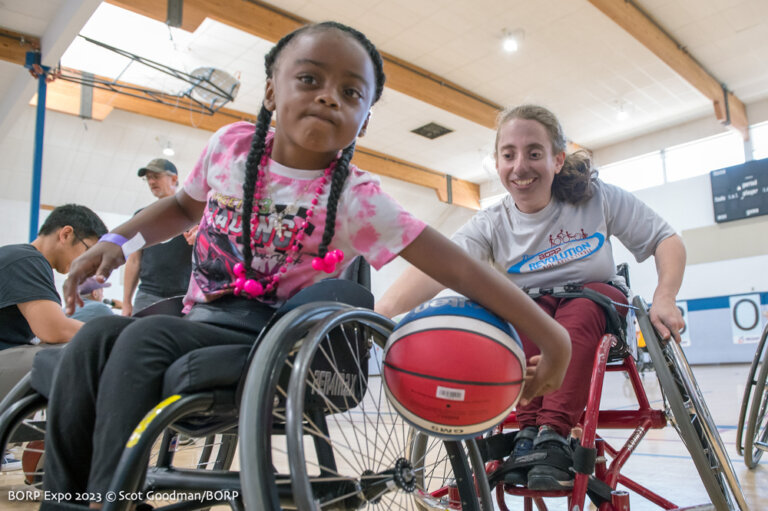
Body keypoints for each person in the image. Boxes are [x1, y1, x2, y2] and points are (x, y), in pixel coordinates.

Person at [42, 24, 570, 509]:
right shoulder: (229, 147)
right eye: (310, 79)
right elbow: (183, 207)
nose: (327, 96)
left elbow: (460, 268)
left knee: (140, 340)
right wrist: (116, 238)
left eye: (350, 93)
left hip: (271, 337)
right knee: (91, 340)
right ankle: (64, 499)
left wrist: (552, 338)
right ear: (272, 90)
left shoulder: (359, 199)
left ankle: (108, 499)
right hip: (193, 322)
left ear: (364, 118)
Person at [376, 104, 687, 491]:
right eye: (509, 155)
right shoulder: (491, 222)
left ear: (558, 159)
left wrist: (665, 296)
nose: (520, 166)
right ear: (498, 162)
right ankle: (528, 436)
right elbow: (437, 266)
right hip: (530, 311)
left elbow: (665, 239)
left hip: (594, 303)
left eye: (534, 153)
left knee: (581, 308)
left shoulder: (596, 198)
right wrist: (379, 313)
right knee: (513, 314)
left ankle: (553, 434)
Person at [0, 204, 106, 471]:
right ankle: (55, 455)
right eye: (89, 251)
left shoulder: (20, 258)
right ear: (66, 234)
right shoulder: (28, 260)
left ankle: (46, 455)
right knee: (78, 355)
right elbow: (52, 329)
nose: (89, 263)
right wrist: (109, 335)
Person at [122, 158, 197, 316]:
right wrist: (126, 301)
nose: (151, 181)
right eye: (148, 177)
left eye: (156, 176)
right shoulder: (141, 217)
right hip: (147, 295)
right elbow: (134, 260)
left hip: (181, 297)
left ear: (174, 179)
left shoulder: (192, 216)